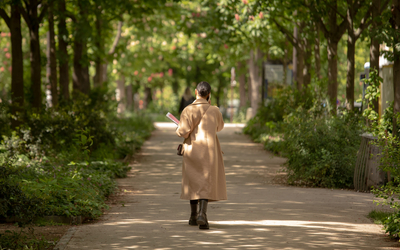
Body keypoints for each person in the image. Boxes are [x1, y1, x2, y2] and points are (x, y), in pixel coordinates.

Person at [176, 81, 227, 230]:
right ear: (209, 94)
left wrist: (179, 128)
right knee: (205, 181)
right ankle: (202, 215)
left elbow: (183, 132)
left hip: (192, 149)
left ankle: (193, 216)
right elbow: (220, 127)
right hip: (209, 151)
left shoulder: (187, 110)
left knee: (193, 181)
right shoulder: (215, 110)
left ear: (196, 92)